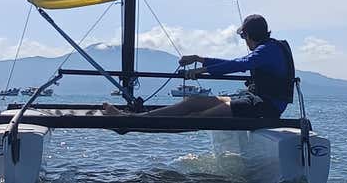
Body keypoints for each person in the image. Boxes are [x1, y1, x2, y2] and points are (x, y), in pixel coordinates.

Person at [103, 14, 295, 118]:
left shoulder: (268, 51)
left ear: (248, 35)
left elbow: (240, 64)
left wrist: (201, 69)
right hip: (253, 99)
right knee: (192, 103)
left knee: (200, 116)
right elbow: (237, 62)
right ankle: (132, 121)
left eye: (243, 36)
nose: (244, 41)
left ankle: (128, 123)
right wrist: (198, 58)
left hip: (266, 107)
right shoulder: (267, 49)